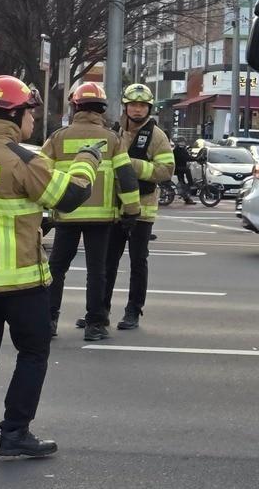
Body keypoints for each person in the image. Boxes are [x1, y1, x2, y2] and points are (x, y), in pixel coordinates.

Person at [0, 75, 101, 463]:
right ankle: (14, 433)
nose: (33, 119)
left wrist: (30, 220)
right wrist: (86, 162)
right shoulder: (24, 159)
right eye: (31, 111)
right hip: (21, 279)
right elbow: (72, 196)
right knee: (33, 352)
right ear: (17, 113)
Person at [42, 82, 141, 341]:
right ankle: (95, 325)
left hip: (67, 214)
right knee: (97, 271)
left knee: (56, 268)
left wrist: (43, 211)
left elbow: (39, 174)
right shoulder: (111, 139)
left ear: (75, 106)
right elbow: (126, 178)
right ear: (102, 109)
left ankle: (48, 320)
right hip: (100, 219)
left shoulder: (58, 138)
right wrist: (131, 212)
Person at [103, 83, 174, 331]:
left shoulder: (157, 136)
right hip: (114, 209)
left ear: (149, 108)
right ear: (125, 106)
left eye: (142, 105)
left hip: (142, 211)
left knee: (137, 262)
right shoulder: (114, 132)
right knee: (107, 263)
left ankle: (133, 311)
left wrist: (129, 164)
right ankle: (100, 311)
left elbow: (166, 171)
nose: (137, 110)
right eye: (133, 105)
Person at [172, 140, 196, 204]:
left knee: (182, 183)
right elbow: (186, 157)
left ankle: (186, 198)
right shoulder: (178, 150)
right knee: (187, 171)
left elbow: (187, 157)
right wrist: (195, 159)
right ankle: (191, 184)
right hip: (178, 168)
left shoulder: (181, 149)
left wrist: (195, 158)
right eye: (182, 142)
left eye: (184, 142)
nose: (183, 143)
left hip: (180, 168)